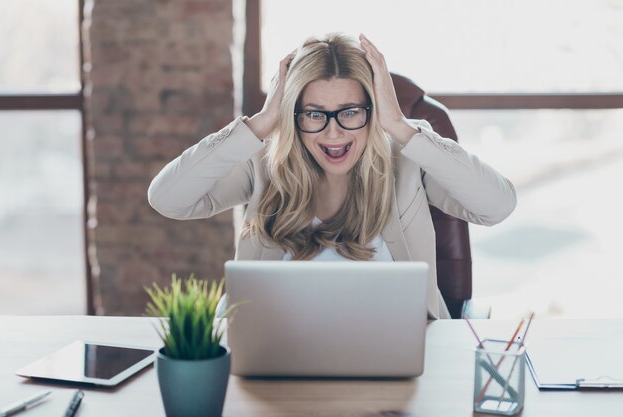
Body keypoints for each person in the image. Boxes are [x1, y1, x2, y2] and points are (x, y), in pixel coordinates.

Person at [148, 33, 517, 319]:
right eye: (314, 114)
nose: (334, 132)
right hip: (274, 353)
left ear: (373, 111)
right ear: (292, 115)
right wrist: (260, 124)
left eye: (350, 111)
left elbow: (497, 206)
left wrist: (399, 126)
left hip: (395, 357)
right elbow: (167, 199)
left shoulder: (406, 156)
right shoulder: (264, 157)